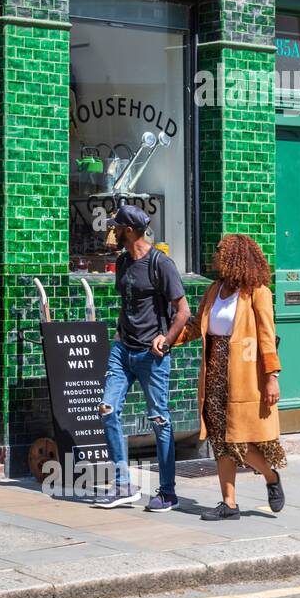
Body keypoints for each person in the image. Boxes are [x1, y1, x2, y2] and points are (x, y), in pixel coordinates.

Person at [174, 233, 286, 520]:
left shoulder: (257, 292)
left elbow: (266, 337)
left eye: (221, 251)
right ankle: (229, 504)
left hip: (246, 373)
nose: (216, 255)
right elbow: (198, 326)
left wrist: (272, 375)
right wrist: (168, 339)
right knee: (220, 439)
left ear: (236, 256)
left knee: (240, 440)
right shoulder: (214, 290)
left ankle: (270, 476)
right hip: (214, 372)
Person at [94, 205, 191, 510]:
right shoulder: (123, 262)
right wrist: (119, 335)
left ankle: (168, 491)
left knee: (159, 420)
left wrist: (167, 338)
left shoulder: (160, 263)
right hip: (123, 351)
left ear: (131, 231)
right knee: (108, 409)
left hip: (152, 355)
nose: (113, 232)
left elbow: (183, 311)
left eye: (118, 227)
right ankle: (123, 485)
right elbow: (128, 303)